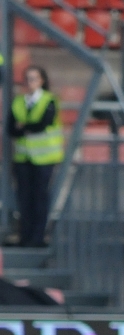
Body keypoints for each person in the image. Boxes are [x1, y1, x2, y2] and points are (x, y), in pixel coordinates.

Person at [7, 66, 64, 248]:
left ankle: (38, 236)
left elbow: (42, 124)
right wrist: (25, 127)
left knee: (40, 198)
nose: (30, 82)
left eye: (34, 78)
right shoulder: (18, 101)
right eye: (27, 78)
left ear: (42, 81)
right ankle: (25, 236)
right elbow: (11, 129)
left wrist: (23, 126)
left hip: (44, 158)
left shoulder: (49, 100)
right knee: (24, 198)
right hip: (23, 158)